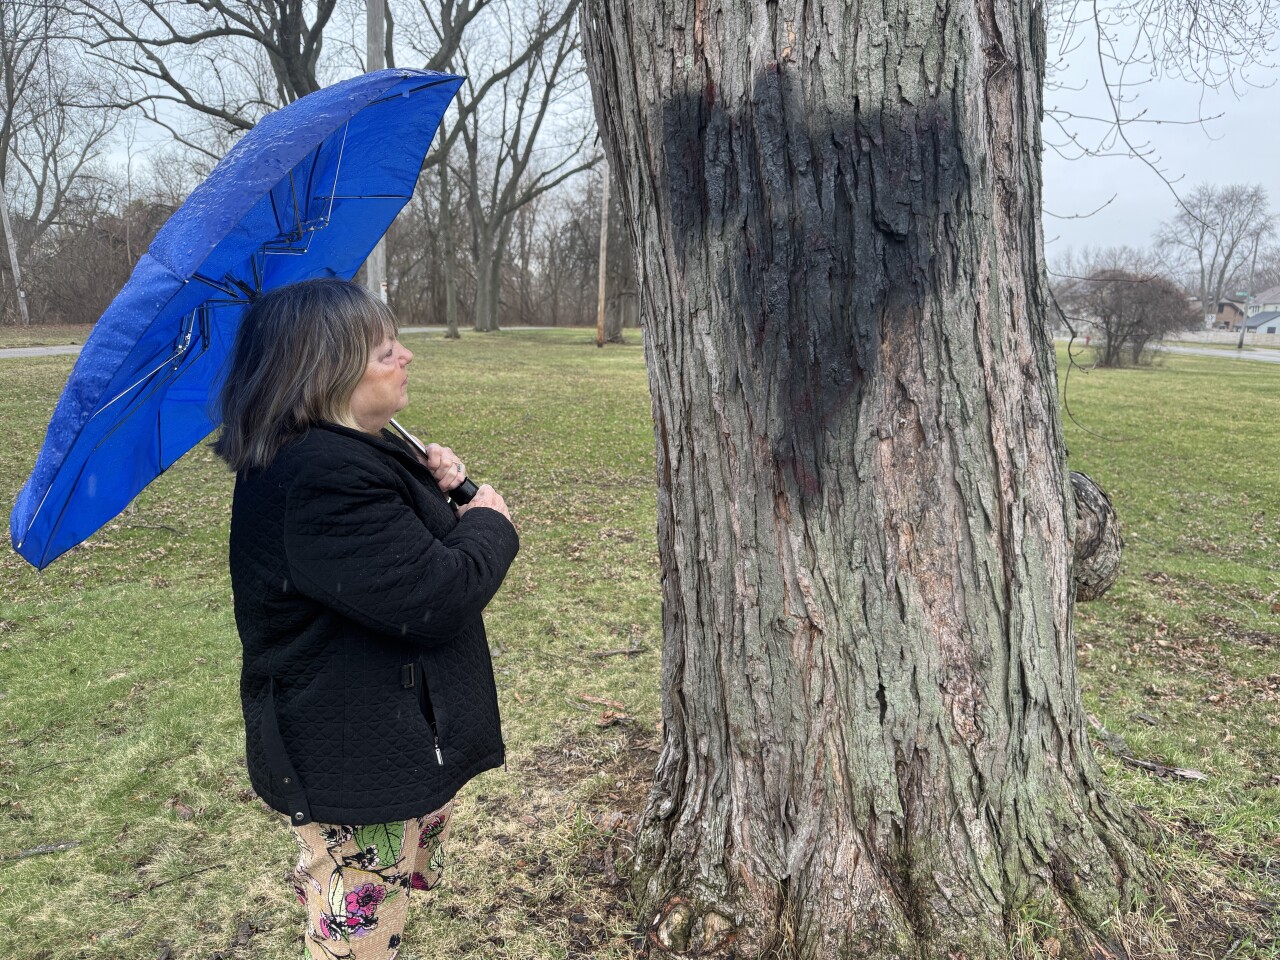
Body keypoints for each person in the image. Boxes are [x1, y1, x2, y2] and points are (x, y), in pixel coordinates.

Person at [213, 278, 519, 959]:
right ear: (329, 375)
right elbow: (437, 596)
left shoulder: (345, 450)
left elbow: (396, 558)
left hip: (382, 733)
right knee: (356, 934)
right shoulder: (319, 477)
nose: (407, 356)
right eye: (386, 352)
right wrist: (490, 523)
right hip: (349, 755)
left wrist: (439, 487)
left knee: (374, 901)